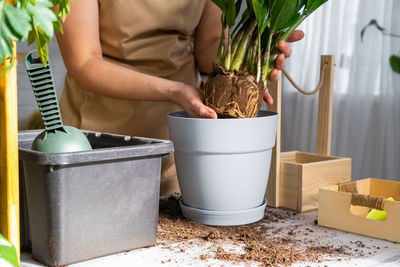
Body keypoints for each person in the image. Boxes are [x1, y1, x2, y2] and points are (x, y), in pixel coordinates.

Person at [55, 0, 304, 195]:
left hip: (177, 134)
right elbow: (84, 62)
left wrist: (257, 54)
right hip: (99, 134)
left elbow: (209, 44)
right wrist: (175, 91)